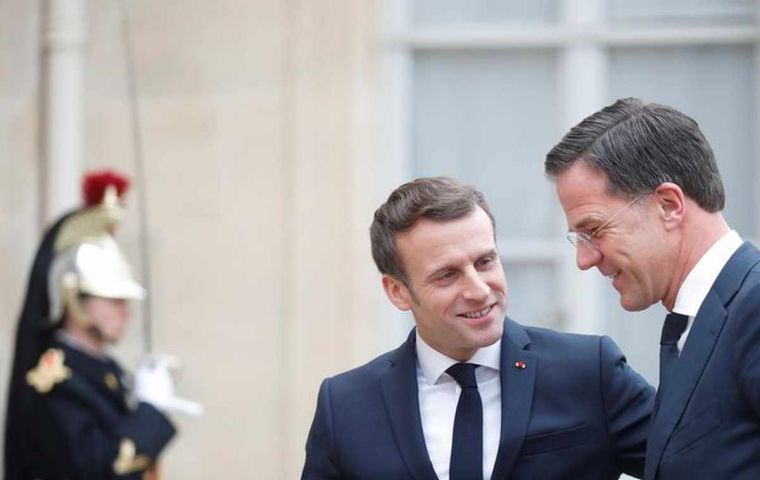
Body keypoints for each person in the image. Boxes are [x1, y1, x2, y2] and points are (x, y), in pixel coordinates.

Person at [301, 176, 654, 480]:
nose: (479, 290)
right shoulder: (346, 405)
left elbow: (696, 463)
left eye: (485, 261)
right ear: (398, 291)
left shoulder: (589, 371)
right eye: (447, 275)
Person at [545, 97, 760, 479]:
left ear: (668, 204)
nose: (584, 259)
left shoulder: (753, 307)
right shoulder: (700, 323)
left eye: (593, 230)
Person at [4, 170, 199, 480]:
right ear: (74, 298)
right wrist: (148, 412)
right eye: (113, 301)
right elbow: (100, 470)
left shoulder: (104, 372)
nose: (126, 313)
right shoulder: (54, 382)